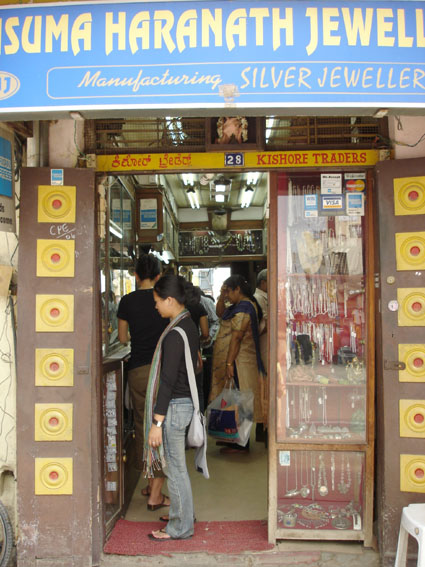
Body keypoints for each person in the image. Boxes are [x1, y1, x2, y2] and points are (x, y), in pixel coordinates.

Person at [144, 274, 200, 541]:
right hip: (183, 404)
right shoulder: (188, 324)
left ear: (169, 300)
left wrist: (157, 423)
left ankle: (180, 527)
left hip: (174, 408)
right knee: (177, 467)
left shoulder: (174, 334)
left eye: (157, 301)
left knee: (174, 469)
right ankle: (182, 514)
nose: (155, 306)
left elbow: (166, 382)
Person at [117, 254, 169, 511]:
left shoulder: (126, 301)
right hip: (162, 370)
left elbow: (122, 337)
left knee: (142, 425)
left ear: (135, 275)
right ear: (158, 276)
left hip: (137, 369)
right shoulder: (165, 299)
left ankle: (150, 484)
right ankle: (155, 494)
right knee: (162, 427)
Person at [209, 274, 265, 454]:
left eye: (228, 291)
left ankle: (242, 444)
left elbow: (237, 337)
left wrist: (229, 364)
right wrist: (221, 295)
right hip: (236, 361)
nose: (227, 295)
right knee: (234, 401)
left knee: (241, 402)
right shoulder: (235, 306)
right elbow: (220, 313)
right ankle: (234, 439)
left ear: (238, 289)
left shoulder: (245, 307)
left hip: (240, 362)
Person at [253, 269, 268, 444]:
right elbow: (259, 327)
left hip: (267, 347)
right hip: (263, 347)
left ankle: (264, 428)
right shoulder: (258, 298)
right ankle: (262, 428)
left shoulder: (263, 297)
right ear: (263, 282)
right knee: (264, 387)